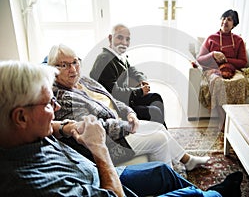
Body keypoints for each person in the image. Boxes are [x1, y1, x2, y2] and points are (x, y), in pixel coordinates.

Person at [0, 60, 244, 197]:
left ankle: (203, 190)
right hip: (104, 180)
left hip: (95, 171)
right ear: (20, 117)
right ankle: (216, 195)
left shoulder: (24, 132)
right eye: (48, 103)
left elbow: (107, 98)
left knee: (161, 170)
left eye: (75, 61)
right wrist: (99, 149)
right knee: (190, 194)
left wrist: (64, 126)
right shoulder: (36, 185)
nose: (54, 106)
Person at [47, 43, 210, 170]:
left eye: (75, 62)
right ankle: (168, 182)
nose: (73, 69)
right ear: (53, 69)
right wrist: (127, 125)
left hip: (119, 125)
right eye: (64, 65)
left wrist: (130, 113)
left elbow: (111, 99)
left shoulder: (83, 81)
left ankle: (186, 161)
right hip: (108, 142)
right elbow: (93, 129)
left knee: (159, 127)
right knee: (159, 139)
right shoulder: (64, 99)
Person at [90, 24, 167, 127]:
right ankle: (158, 134)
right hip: (116, 107)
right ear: (110, 38)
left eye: (127, 39)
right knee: (154, 112)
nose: (124, 42)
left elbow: (132, 70)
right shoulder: (105, 60)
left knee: (156, 98)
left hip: (126, 99)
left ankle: (161, 131)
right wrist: (139, 91)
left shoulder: (120, 56)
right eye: (120, 37)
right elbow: (114, 92)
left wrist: (141, 79)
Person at [196, 9, 248, 131]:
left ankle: (234, 118)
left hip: (232, 70)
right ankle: (223, 119)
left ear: (234, 24)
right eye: (223, 18)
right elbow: (199, 59)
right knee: (219, 82)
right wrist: (213, 54)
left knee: (240, 82)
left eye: (229, 19)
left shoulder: (238, 40)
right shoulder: (211, 38)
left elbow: (243, 62)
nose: (225, 21)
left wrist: (225, 59)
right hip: (213, 70)